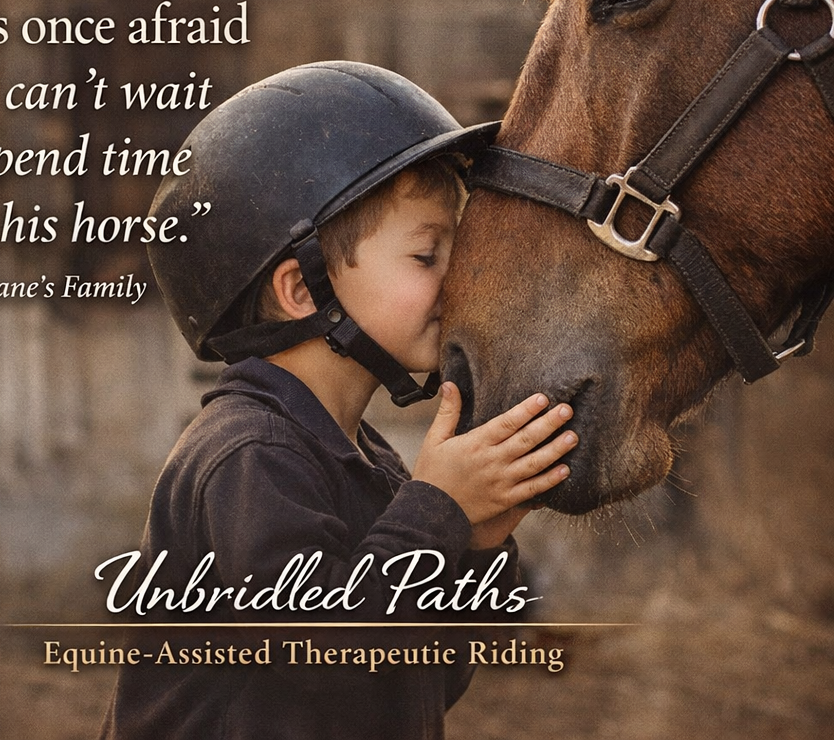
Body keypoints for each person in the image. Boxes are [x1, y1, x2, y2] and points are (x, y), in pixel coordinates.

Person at [98, 61, 577, 740]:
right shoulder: (250, 454)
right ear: (303, 290)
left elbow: (422, 681)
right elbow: (323, 653)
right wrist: (436, 510)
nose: (457, 281)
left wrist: (470, 543)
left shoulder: (365, 458)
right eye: (426, 255)